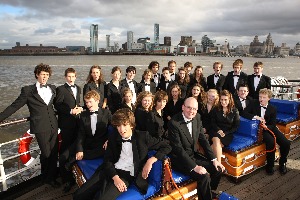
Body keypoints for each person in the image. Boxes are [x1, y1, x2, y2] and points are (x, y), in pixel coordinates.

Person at [73, 108, 172, 200]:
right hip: (108, 170)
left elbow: (167, 146)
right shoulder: (113, 137)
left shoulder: (143, 137)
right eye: (118, 125)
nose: (121, 129)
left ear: (131, 125)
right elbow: (108, 160)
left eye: (124, 125)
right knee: (79, 195)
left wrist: (151, 160)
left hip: (126, 175)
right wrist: (115, 177)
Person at [0, 63, 59, 188]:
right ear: (37, 75)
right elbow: (15, 106)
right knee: (46, 153)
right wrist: (1, 118)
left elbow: (59, 105)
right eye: (42, 74)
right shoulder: (28, 90)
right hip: (40, 126)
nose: (45, 77)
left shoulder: (53, 88)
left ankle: (49, 177)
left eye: (47, 75)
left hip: (53, 125)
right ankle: (47, 178)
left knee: (53, 153)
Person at [168, 97, 224, 200]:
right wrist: (195, 167)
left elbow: (203, 139)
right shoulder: (174, 123)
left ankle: (208, 192)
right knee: (204, 176)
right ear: (183, 107)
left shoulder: (197, 117)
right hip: (180, 160)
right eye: (189, 108)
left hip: (193, 154)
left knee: (218, 169)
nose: (191, 111)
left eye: (194, 109)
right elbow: (178, 149)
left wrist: (214, 159)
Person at [244, 88, 290, 175]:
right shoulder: (253, 103)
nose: (261, 99)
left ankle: (282, 163)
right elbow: (244, 113)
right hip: (259, 130)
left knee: (286, 143)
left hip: (270, 127)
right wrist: (256, 117)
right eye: (260, 97)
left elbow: (273, 124)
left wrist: (267, 126)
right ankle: (270, 165)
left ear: (269, 98)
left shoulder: (273, 108)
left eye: (264, 97)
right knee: (271, 142)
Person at [64, 90, 112, 171]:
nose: (88, 104)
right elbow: (81, 134)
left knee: (105, 151)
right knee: (63, 157)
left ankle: (74, 159)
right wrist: (79, 150)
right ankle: (67, 181)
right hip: (87, 142)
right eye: (86, 102)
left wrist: (109, 140)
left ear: (97, 101)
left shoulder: (106, 113)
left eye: (90, 102)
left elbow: (115, 127)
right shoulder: (83, 115)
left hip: (101, 144)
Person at [54, 68, 83, 192]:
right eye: (69, 76)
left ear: (76, 77)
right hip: (66, 126)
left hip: (78, 124)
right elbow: (58, 104)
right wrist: (71, 111)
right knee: (65, 152)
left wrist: (80, 108)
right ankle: (66, 180)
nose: (71, 78)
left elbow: (78, 103)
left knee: (75, 150)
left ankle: (75, 175)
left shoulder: (79, 88)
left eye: (73, 76)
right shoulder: (61, 89)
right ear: (66, 77)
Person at [209, 90, 240, 163]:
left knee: (214, 147)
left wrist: (225, 133)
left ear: (229, 100)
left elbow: (236, 126)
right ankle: (219, 166)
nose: (223, 102)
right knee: (216, 140)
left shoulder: (235, 111)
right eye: (221, 99)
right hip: (215, 131)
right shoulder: (215, 109)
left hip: (227, 134)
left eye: (225, 100)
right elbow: (212, 123)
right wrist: (218, 130)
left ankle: (210, 164)